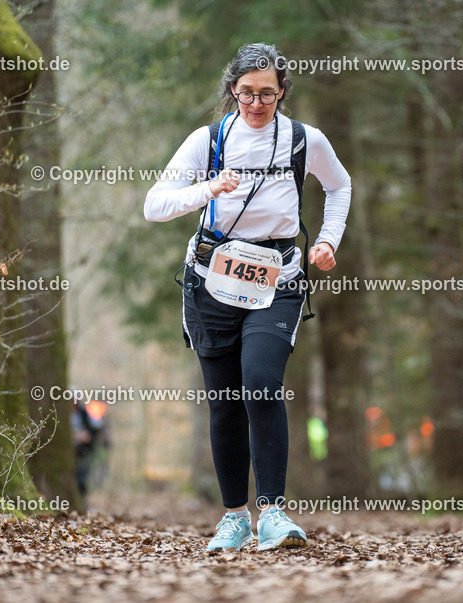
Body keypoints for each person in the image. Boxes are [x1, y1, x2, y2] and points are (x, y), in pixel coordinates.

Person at [144, 43, 351, 552]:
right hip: (211, 280)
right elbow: (155, 205)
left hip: (277, 278)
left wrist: (328, 241)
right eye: (246, 93)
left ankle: (273, 514)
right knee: (224, 402)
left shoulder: (304, 140)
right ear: (232, 90)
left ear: (282, 92)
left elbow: (340, 186)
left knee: (260, 382)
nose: (256, 104)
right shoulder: (208, 140)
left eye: (267, 93)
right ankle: (234, 518)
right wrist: (208, 189)